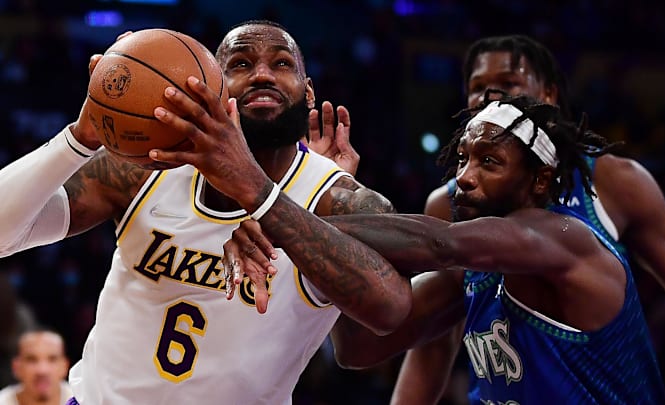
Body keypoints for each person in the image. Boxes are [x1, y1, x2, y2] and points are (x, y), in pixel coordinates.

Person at [0, 20, 411, 404]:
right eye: (241, 63)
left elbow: (385, 316)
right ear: (213, 85)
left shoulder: (336, 201)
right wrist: (79, 138)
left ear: (308, 93)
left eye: (281, 63)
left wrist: (285, 208)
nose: (262, 74)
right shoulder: (144, 167)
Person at [227, 93, 665, 404]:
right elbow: (359, 348)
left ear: (539, 181)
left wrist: (287, 214)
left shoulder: (563, 238)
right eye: (462, 159)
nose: (465, 178)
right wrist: (329, 211)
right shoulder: (473, 275)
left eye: (489, 162)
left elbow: (438, 243)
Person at [389, 34, 665, 404]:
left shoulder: (614, 183)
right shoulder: (449, 203)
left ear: (548, 95)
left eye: (509, 84)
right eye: (477, 87)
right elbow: (432, 343)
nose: (490, 97)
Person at [0, 330, 72, 405]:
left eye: (52, 359)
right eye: (31, 360)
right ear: (16, 367)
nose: (42, 370)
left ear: (65, 366)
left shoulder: (81, 400)